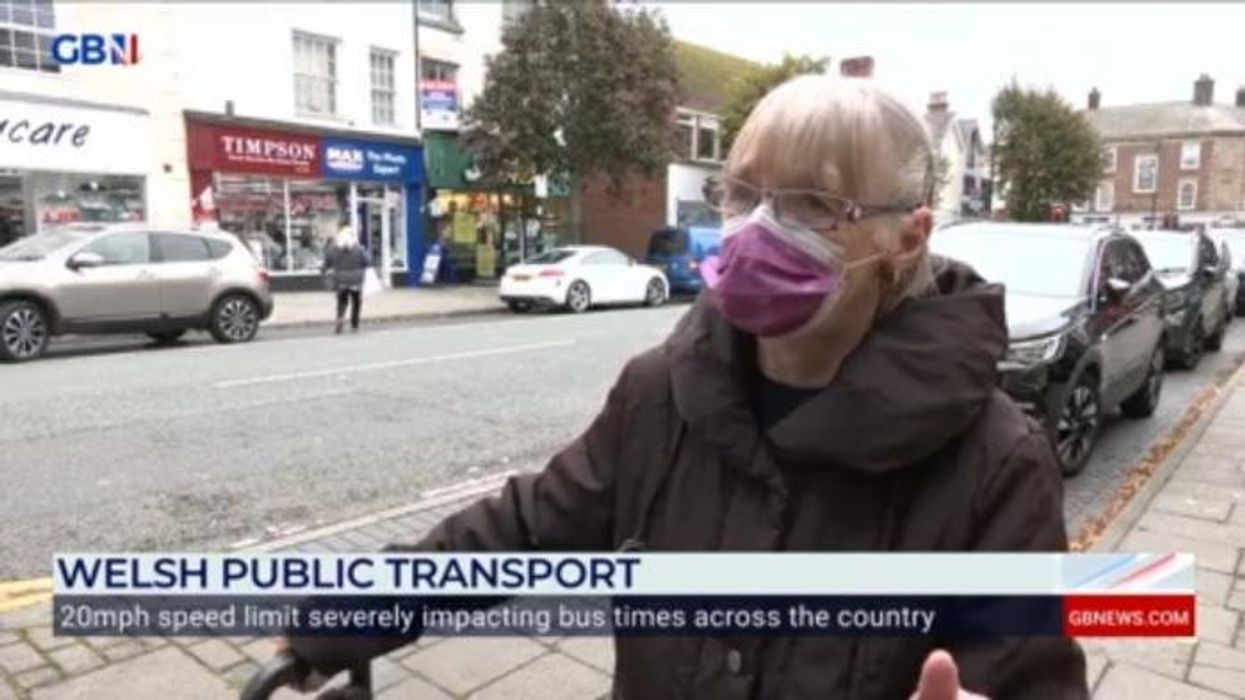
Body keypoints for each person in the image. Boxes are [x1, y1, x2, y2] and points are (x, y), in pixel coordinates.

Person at [282, 76, 1088, 698]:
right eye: (742, 194)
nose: (758, 228)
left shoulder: (995, 466)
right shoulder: (662, 392)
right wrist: (354, 612)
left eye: (812, 203)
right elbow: (525, 529)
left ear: (906, 240)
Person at [320, 224, 369, 334]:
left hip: (341, 280)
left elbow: (326, 262)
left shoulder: (333, 249)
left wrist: (323, 271)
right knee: (356, 302)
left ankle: (340, 320)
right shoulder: (359, 249)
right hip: (356, 280)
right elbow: (367, 261)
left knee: (342, 301)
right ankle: (355, 324)